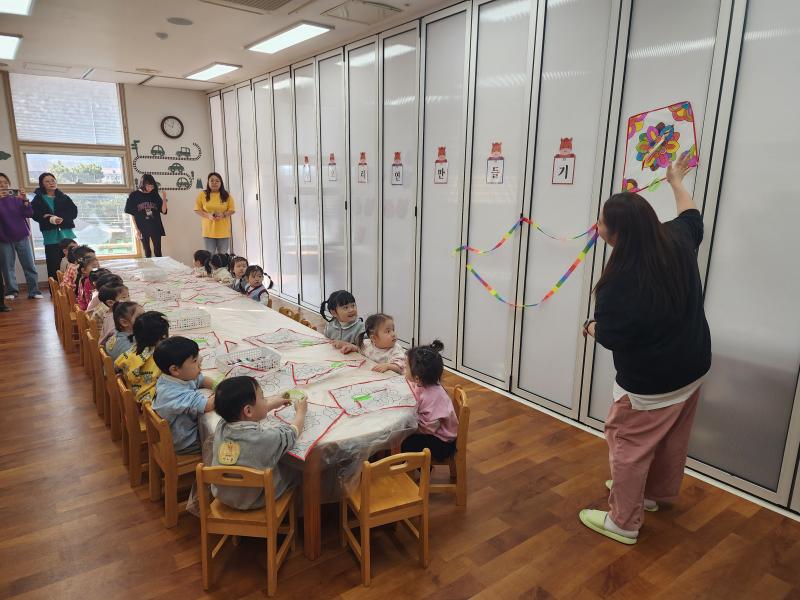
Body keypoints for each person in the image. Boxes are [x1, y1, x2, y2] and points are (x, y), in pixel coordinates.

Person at [579, 152, 711, 545]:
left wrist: (591, 327)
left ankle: (623, 521)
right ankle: (651, 495)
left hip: (650, 384)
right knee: (670, 437)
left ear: (616, 232)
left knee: (628, 447)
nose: (597, 226)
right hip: (693, 366)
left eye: (602, 222)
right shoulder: (675, 236)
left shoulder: (619, 280)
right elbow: (693, 216)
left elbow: (614, 335)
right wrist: (675, 181)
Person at [211, 376, 307, 510]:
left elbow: (247, 413)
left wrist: (273, 403)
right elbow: (291, 433)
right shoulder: (263, 439)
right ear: (248, 411)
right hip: (257, 499)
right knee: (298, 467)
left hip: (224, 495)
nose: (266, 400)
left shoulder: (222, 425)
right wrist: (301, 412)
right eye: (262, 397)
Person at [152, 337, 216, 454]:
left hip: (181, 432)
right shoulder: (173, 393)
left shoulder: (173, 378)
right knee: (222, 439)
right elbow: (209, 405)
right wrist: (226, 389)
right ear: (175, 369)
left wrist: (216, 385)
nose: (200, 363)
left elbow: (201, 380)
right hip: (185, 442)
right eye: (196, 361)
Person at [401, 340, 459, 461]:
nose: (403, 368)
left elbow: (429, 428)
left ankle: (422, 471)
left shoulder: (432, 397)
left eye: (406, 367)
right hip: (435, 433)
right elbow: (413, 389)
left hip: (442, 442)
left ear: (417, 378)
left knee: (405, 443)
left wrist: (409, 429)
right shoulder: (425, 382)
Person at [0, 173, 42, 299]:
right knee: (7, 267)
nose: (3, 185)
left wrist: (25, 200)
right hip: (3, 238)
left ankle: (34, 291)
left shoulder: (17, 198)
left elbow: (29, 213)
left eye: (5, 182)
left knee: (29, 264)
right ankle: (12, 291)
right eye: (0, 183)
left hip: (22, 236)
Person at [30, 172, 78, 280]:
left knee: (71, 263)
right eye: (47, 181)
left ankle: (72, 291)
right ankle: (56, 293)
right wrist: (48, 218)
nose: (51, 183)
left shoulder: (64, 197)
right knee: (54, 266)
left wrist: (60, 218)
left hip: (66, 235)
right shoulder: (38, 199)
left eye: (53, 180)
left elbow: (73, 212)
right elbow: (35, 214)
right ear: (42, 184)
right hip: (51, 236)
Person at [115, 311, 170, 404]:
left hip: (136, 399)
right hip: (152, 407)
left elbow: (116, 365)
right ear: (163, 337)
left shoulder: (132, 350)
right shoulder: (162, 358)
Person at [340, 313, 405, 374]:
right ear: (373, 338)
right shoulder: (367, 344)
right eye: (388, 331)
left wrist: (388, 366)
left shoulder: (396, 349)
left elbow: (400, 367)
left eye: (393, 330)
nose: (393, 334)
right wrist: (352, 347)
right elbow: (360, 350)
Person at [125, 174, 168, 258]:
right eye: (148, 186)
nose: (150, 188)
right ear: (143, 184)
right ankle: (150, 270)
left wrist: (164, 198)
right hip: (142, 227)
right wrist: (136, 229)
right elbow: (132, 214)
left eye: (152, 186)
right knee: (147, 252)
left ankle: (160, 270)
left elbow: (164, 211)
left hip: (155, 226)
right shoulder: (134, 195)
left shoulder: (154, 194)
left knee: (158, 251)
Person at [194, 173, 235, 255]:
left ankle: (222, 268)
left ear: (221, 183)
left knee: (222, 256)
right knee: (209, 256)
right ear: (208, 183)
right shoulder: (203, 194)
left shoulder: (226, 195)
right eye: (211, 180)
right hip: (208, 231)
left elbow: (232, 210)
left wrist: (223, 215)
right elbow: (197, 210)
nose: (214, 183)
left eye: (217, 181)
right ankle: (210, 268)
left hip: (223, 231)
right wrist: (208, 216)